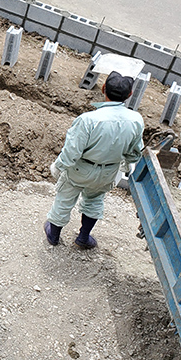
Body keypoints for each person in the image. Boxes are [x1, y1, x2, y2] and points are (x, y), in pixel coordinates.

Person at [44, 71, 144, 249]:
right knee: (95, 200)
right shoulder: (136, 120)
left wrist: (58, 166)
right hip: (108, 171)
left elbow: (71, 152)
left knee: (65, 198)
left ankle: (54, 235)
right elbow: (134, 151)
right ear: (129, 95)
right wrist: (125, 164)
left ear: (104, 89)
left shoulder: (88, 119)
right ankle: (83, 238)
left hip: (81, 169)